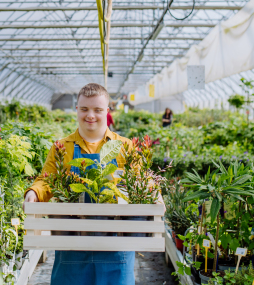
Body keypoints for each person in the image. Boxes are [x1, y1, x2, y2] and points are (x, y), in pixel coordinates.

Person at [24, 83, 163, 285]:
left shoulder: (124, 146)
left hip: (116, 244)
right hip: (71, 244)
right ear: (77, 110)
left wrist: (154, 193)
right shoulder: (62, 147)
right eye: (84, 109)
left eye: (97, 110)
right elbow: (47, 179)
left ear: (107, 111)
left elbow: (141, 179)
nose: (91, 115)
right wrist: (34, 193)